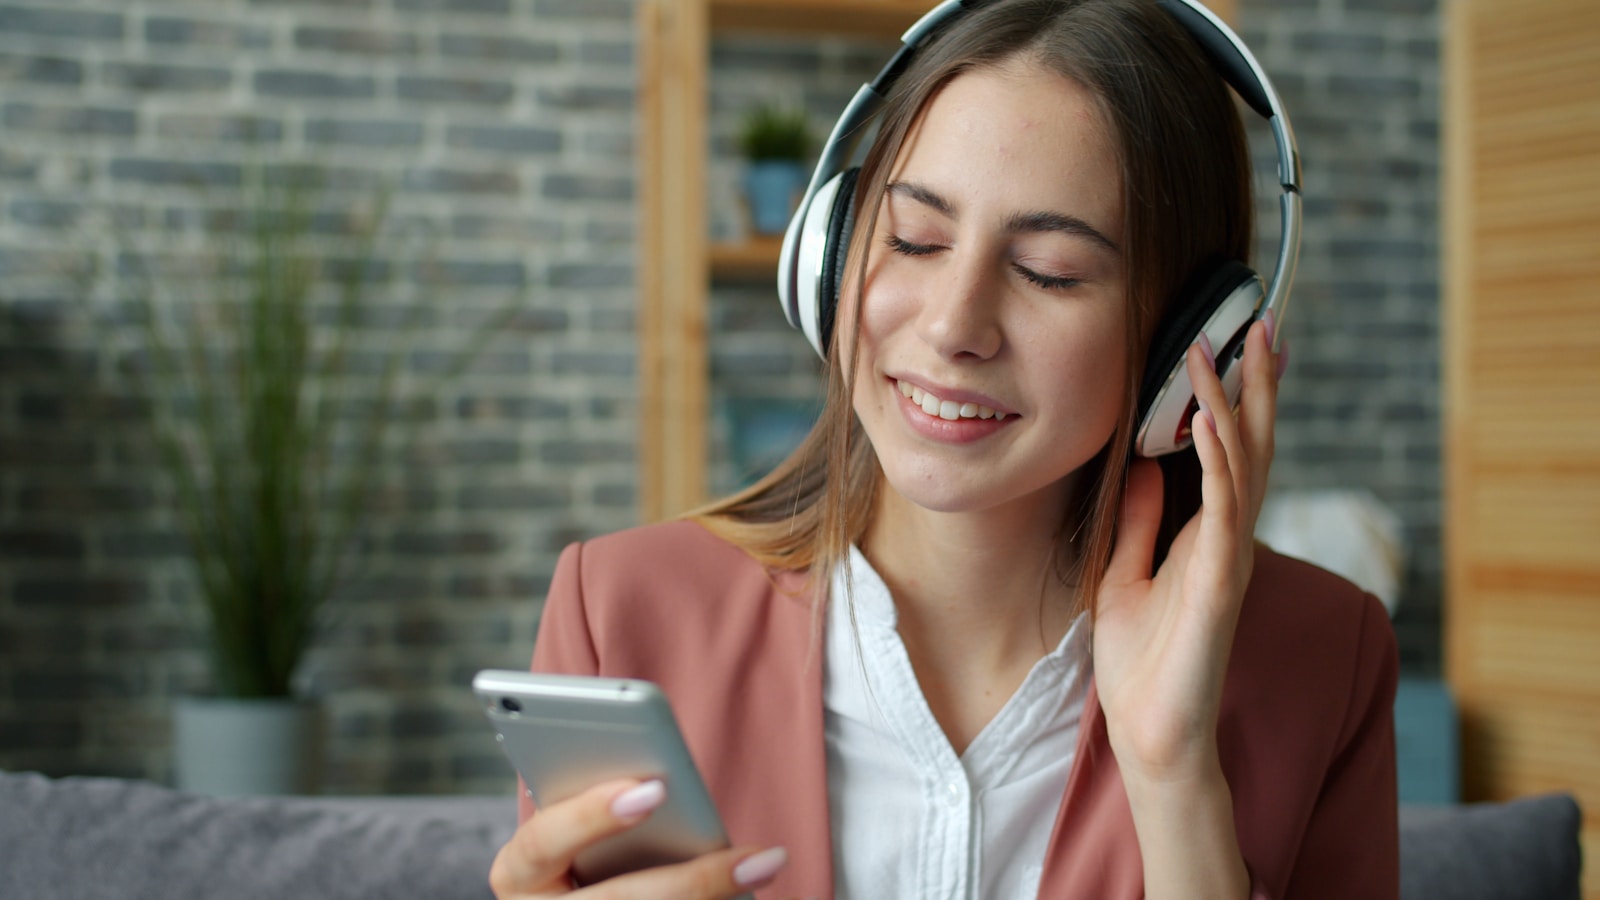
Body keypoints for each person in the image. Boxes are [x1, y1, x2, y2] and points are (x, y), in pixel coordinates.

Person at [489, 0, 1399, 897]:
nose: (954, 326)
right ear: (833, 253)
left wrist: (1173, 782)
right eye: (914, 239)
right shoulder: (618, 614)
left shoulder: (1327, 663)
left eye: (1048, 270)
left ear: (1195, 342)